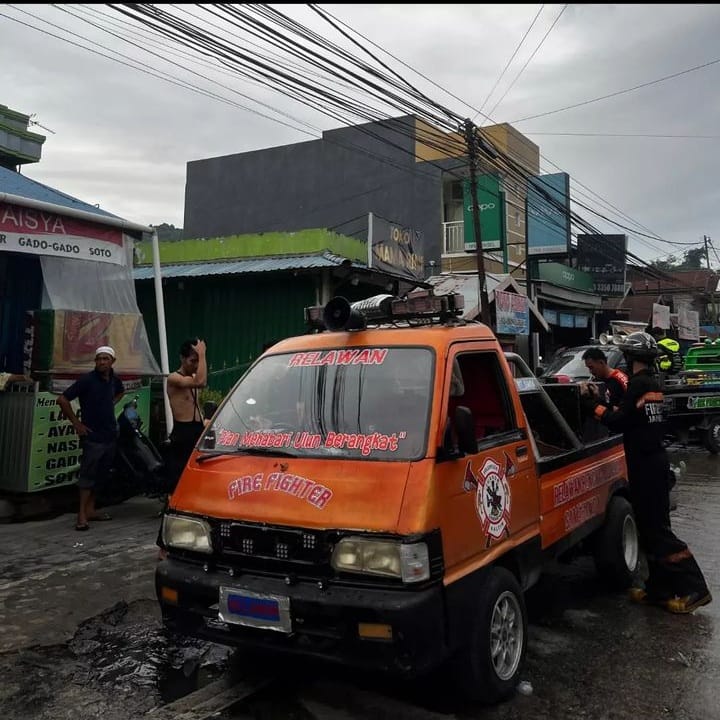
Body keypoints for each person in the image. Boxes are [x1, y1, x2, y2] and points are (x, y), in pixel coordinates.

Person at [582, 331, 711, 614]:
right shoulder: (652, 384)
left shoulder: (639, 385)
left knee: (658, 531)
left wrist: (593, 406)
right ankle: (659, 589)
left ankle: (695, 588)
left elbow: (618, 421)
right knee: (648, 529)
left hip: (646, 466)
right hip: (652, 462)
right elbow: (634, 417)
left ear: (630, 357)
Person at [57, 346, 124, 531]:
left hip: (110, 434)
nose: (102, 362)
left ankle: (91, 509)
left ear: (112, 361)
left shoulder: (113, 380)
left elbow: (120, 392)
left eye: (105, 359)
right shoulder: (87, 380)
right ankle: (82, 515)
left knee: (101, 475)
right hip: (93, 437)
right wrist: (76, 424)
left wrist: (110, 404)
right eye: (99, 359)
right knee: (87, 476)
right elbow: (62, 399)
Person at [165, 338, 207, 491]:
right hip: (183, 429)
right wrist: (202, 355)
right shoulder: (174, 378)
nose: (195, 365)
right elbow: (201, 382)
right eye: (192, 361)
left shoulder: (193, 377)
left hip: (197, 427)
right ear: (182, 358)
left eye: (197, 361)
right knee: (178, 473)